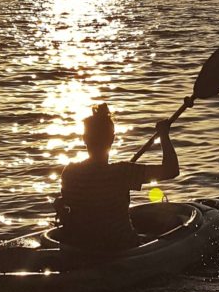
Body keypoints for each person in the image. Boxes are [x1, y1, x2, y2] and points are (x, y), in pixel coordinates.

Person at [57, 101, 186, 251]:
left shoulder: (70, 173)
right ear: (112, 139)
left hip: (82, 247)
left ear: (84, 138)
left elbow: (67, 208)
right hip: (121, 247)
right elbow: (171, 170)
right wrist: (164, 135)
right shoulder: (122, 172)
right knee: (164, 227)